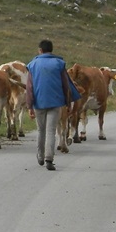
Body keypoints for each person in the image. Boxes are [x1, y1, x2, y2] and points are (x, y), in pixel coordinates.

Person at [26, 39, 80, 171]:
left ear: (40, 50)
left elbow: (29, 87)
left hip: (39, 103)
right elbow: (66, 85)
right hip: (56, 102)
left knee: (41, 130)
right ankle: (49, 159)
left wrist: (29, 106)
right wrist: (68, 103)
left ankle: (40, 155)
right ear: (51, 50)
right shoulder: (59, 63)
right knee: (51, 131)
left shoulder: (32, 65)